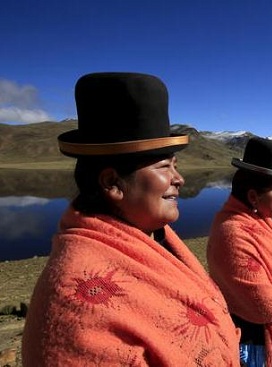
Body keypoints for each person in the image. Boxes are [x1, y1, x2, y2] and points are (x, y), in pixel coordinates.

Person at [22, 72, 241, 366]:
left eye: (176, 165)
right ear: (112, 182)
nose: (179, 179)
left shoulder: (156, 238)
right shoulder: (80, 308)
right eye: (164, 166)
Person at [207, 137, 272, 367]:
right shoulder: (232, 233)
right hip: (254, 349)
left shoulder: (260, 222)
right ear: (253, 196)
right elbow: (261, 303)